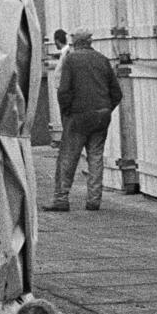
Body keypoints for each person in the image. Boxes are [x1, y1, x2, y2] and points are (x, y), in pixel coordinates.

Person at [45, 27, 122, 212]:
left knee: (68, 157)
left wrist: (66, 113)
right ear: (90, 42)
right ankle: (94, 200)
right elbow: (116, 93)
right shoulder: (102, 60)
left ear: (75, 42)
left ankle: (61, 198)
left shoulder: (71, 60)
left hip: (78, 116)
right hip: (101, 116)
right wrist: (105, 109)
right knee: (95, 157)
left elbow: (64, 91)